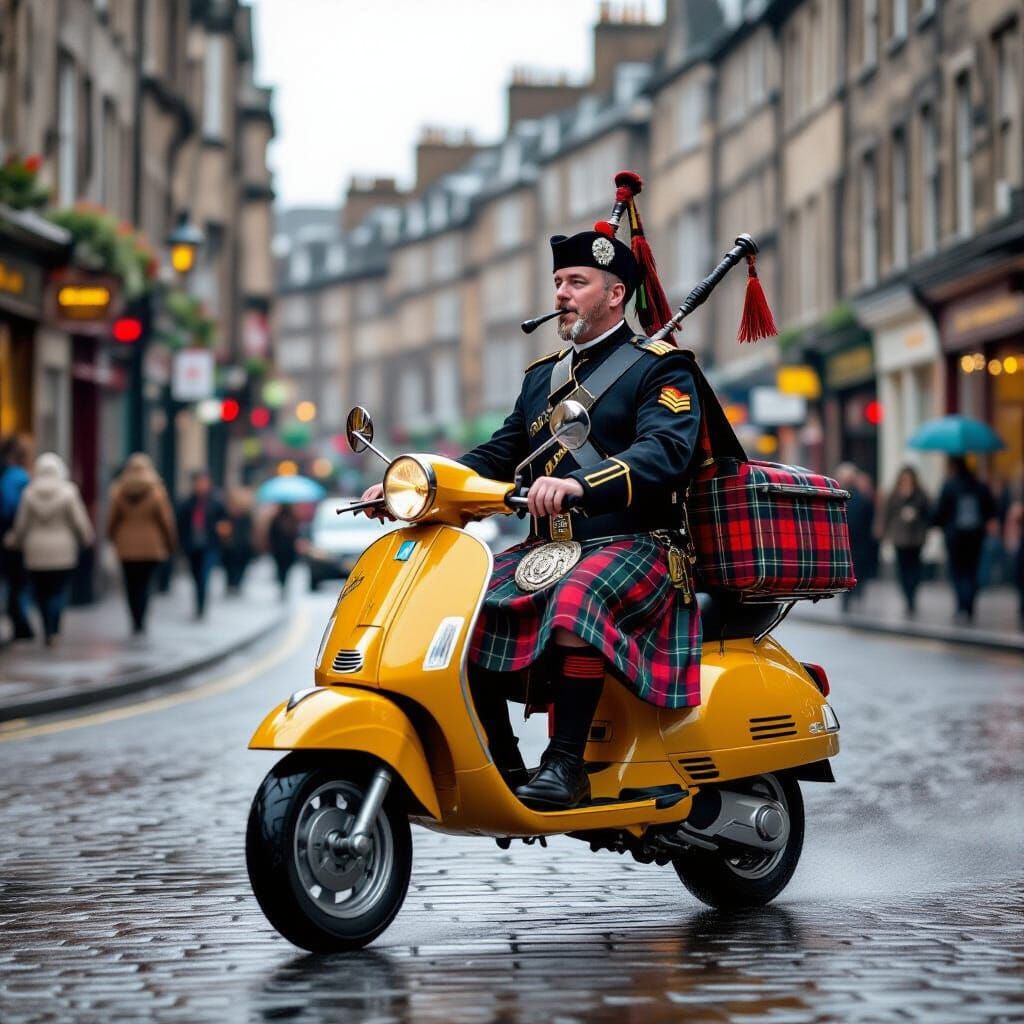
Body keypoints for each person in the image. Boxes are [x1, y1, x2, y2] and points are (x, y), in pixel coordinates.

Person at [362, 191, 703, 810]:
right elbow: (497, 455)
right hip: (550, 546)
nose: (562, 294)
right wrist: (412, 487)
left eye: (578, 281)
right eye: (558, 283)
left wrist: (578, 484)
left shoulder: (662, 369)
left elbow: (664, 454)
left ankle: (565, 766)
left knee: (577, 598)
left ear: (615, 293)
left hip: (638, 545)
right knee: (455, 617)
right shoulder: (541, 378)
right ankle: (502, 765)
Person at [4, 452, 93, 645]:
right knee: (58, 591)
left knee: (42, 593)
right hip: (63, 552)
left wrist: (14, 542)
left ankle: (47, 629)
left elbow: (21, 525)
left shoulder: (29, 493)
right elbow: (79, 521)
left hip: (35, 552)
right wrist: (86, 538)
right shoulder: (68, 491)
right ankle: (55, 630)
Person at [107, 453, 176, 635]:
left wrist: (111, 537)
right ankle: (142, 619)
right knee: (145, 584)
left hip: (126, 546)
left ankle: (134, 617)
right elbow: (165, 521)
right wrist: (170, 543)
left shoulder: (119, 491)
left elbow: (113, 520)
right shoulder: (156, 492)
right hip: (150, 547)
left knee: (130, 584)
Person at [932, 456, 997, 623]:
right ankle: (969, 606)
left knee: (957, 572)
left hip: (955, 538)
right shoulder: (980, 486)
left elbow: (940, 512)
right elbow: (991, 509)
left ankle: (962, 606)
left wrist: (937, 524)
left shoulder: (949, 486)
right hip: (975, 536)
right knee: (972, 570)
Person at [879, 465, 932, 615]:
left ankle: (913, 595)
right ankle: (907, 597)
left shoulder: (920, 494)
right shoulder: (894, 494)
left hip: (916, 537)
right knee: (902, 569)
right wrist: (884, 532)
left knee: (915, 568)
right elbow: (886, 514)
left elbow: (928, 513)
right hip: (899, 537)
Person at [176, 470, 227, 619]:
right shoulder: (187, 503)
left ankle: (201, 607)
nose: (201, 485)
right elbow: (180, 525)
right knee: (196, 576)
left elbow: (224, 522)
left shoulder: (216, 503)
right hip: (192, 546)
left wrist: (222, 531)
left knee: (204, 575)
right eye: (198, 482)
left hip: (210, 546)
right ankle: (198, 603)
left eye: (204, 482)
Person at [0, 435, 34, 640]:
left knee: (16, 582)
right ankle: (20, 623)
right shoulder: (18, 478)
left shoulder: (10, 476)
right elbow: (11, 508)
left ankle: (20, 622)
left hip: (11, 536)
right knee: (18, 582)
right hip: (13, 537)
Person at [835, 462, 875, 612]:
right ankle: (850, 596)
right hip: (851, 541)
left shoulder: (858, 497)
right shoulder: (847, 497)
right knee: (852, 571)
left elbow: (868, 519)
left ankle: (851, 596)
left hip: (855, 541)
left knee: (853, 570)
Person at [220, 487, 255, 594]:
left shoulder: (246, 517)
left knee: (240, 567)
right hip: (230, 546)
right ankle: (231, 584)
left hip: (242, 546)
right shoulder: (227, 515)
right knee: (229, 567)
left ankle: (236, 584)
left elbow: (250, 531)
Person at [268, 504, 299, 599]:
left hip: (283, 550)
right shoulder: (279, 519)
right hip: (282, 550)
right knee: (282, 569)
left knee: (283, 569)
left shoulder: (291, 519)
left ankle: (283, 584)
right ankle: (283, 584)